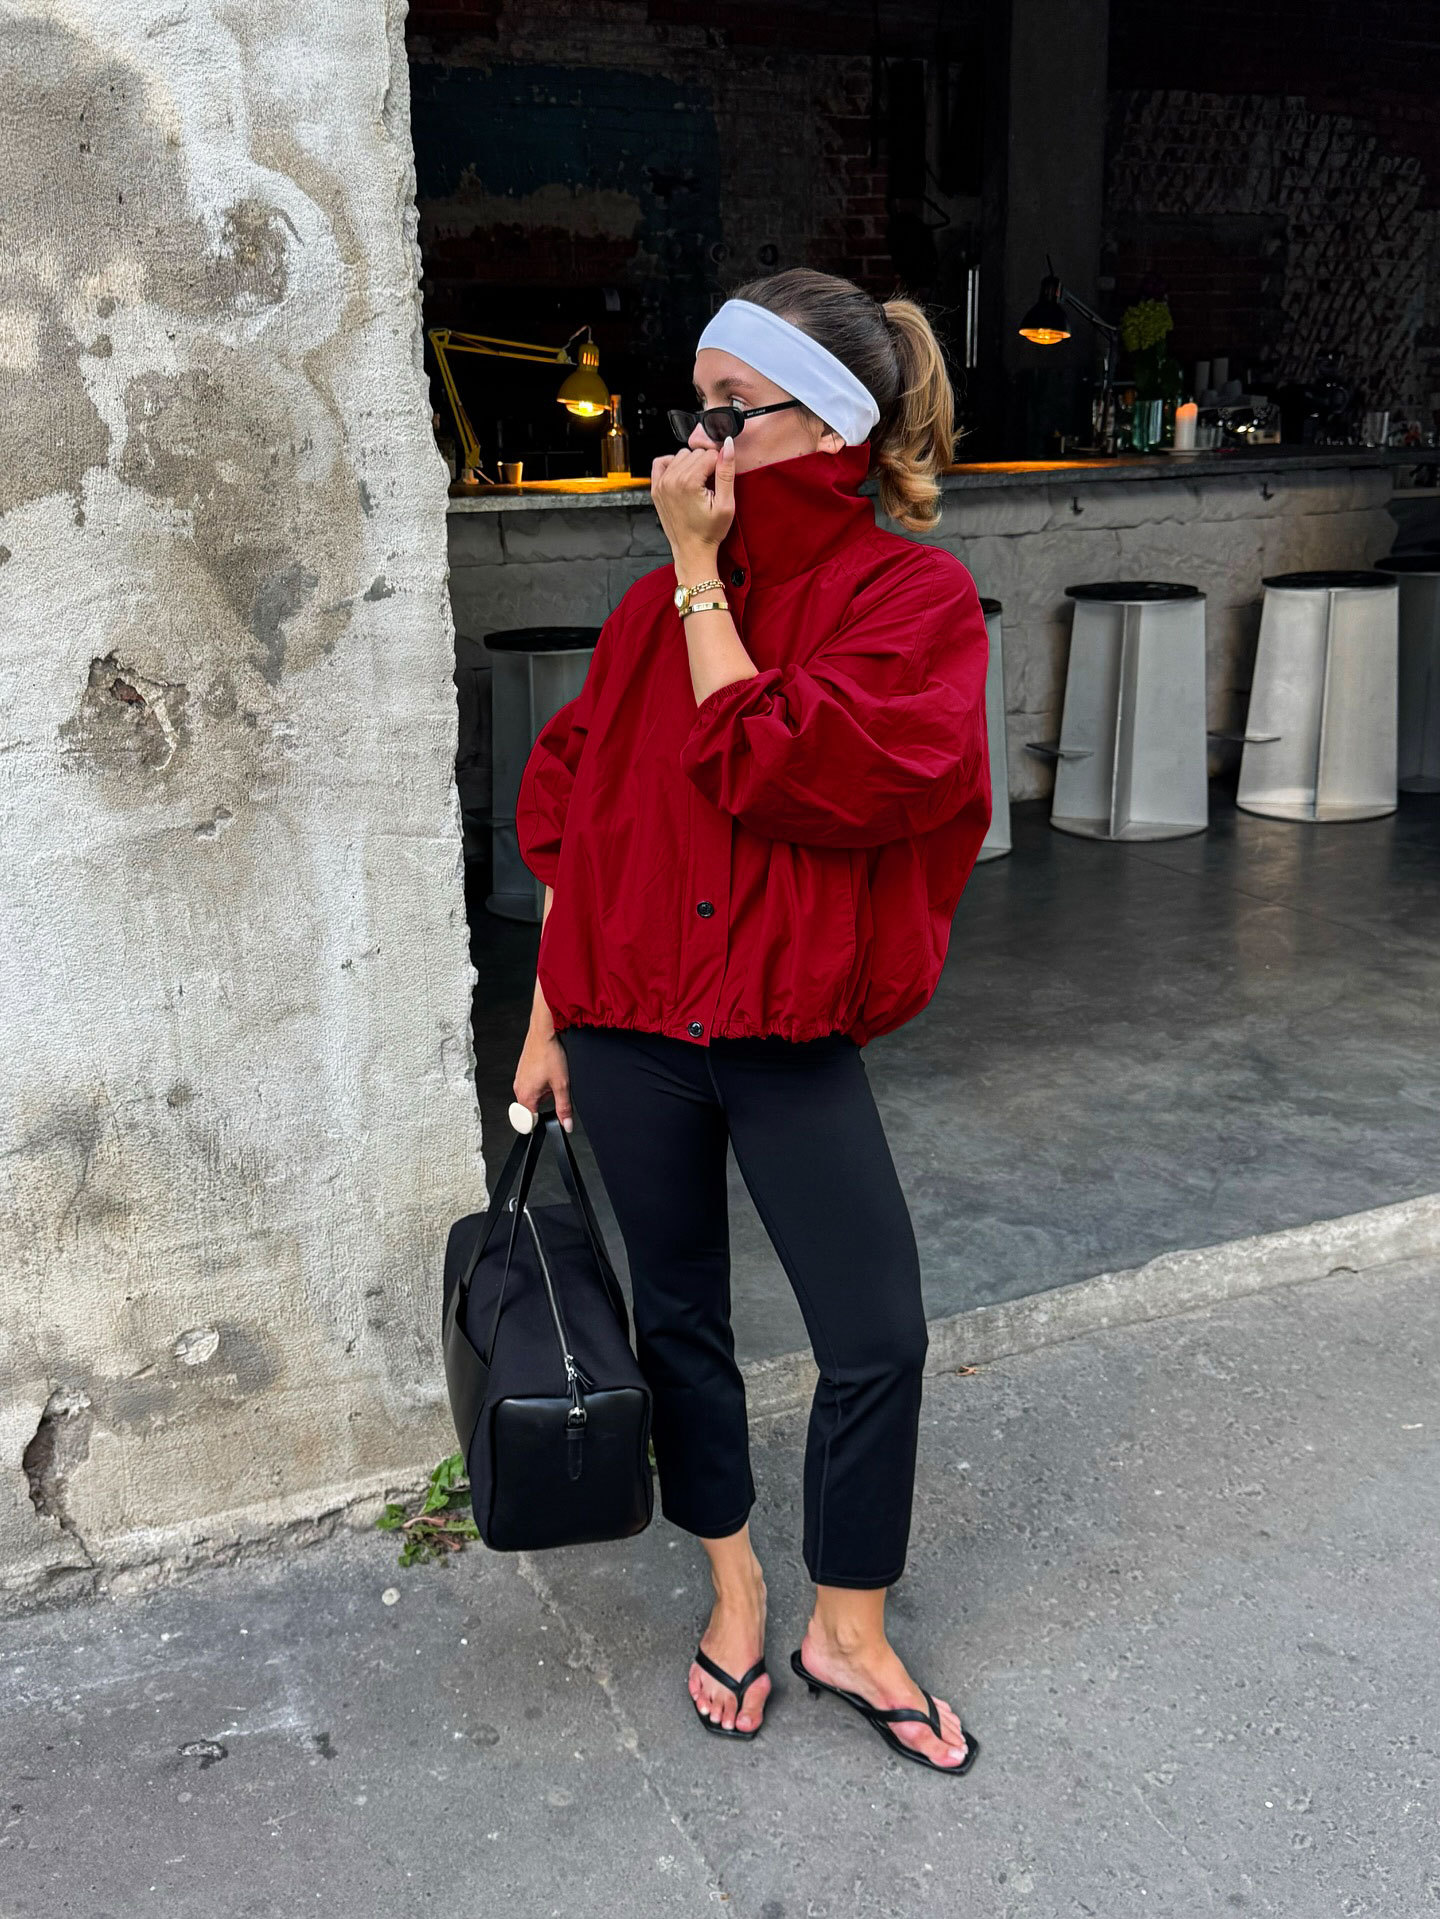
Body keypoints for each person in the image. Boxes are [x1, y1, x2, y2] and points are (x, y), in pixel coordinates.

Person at [511, 267, 991, 1775]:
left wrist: (700, 578)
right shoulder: (646, 611)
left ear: (829, 430)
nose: (694, 441)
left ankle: (850, 1628)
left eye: (731, 411)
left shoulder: (908, 600)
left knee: (877, 1334)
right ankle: (735, 1589)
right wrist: (547, 1016)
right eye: (696, 407)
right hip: (629, 1025)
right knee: (680, 1322)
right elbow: (581, 821)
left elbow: (786, 763)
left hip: (784, 1033)